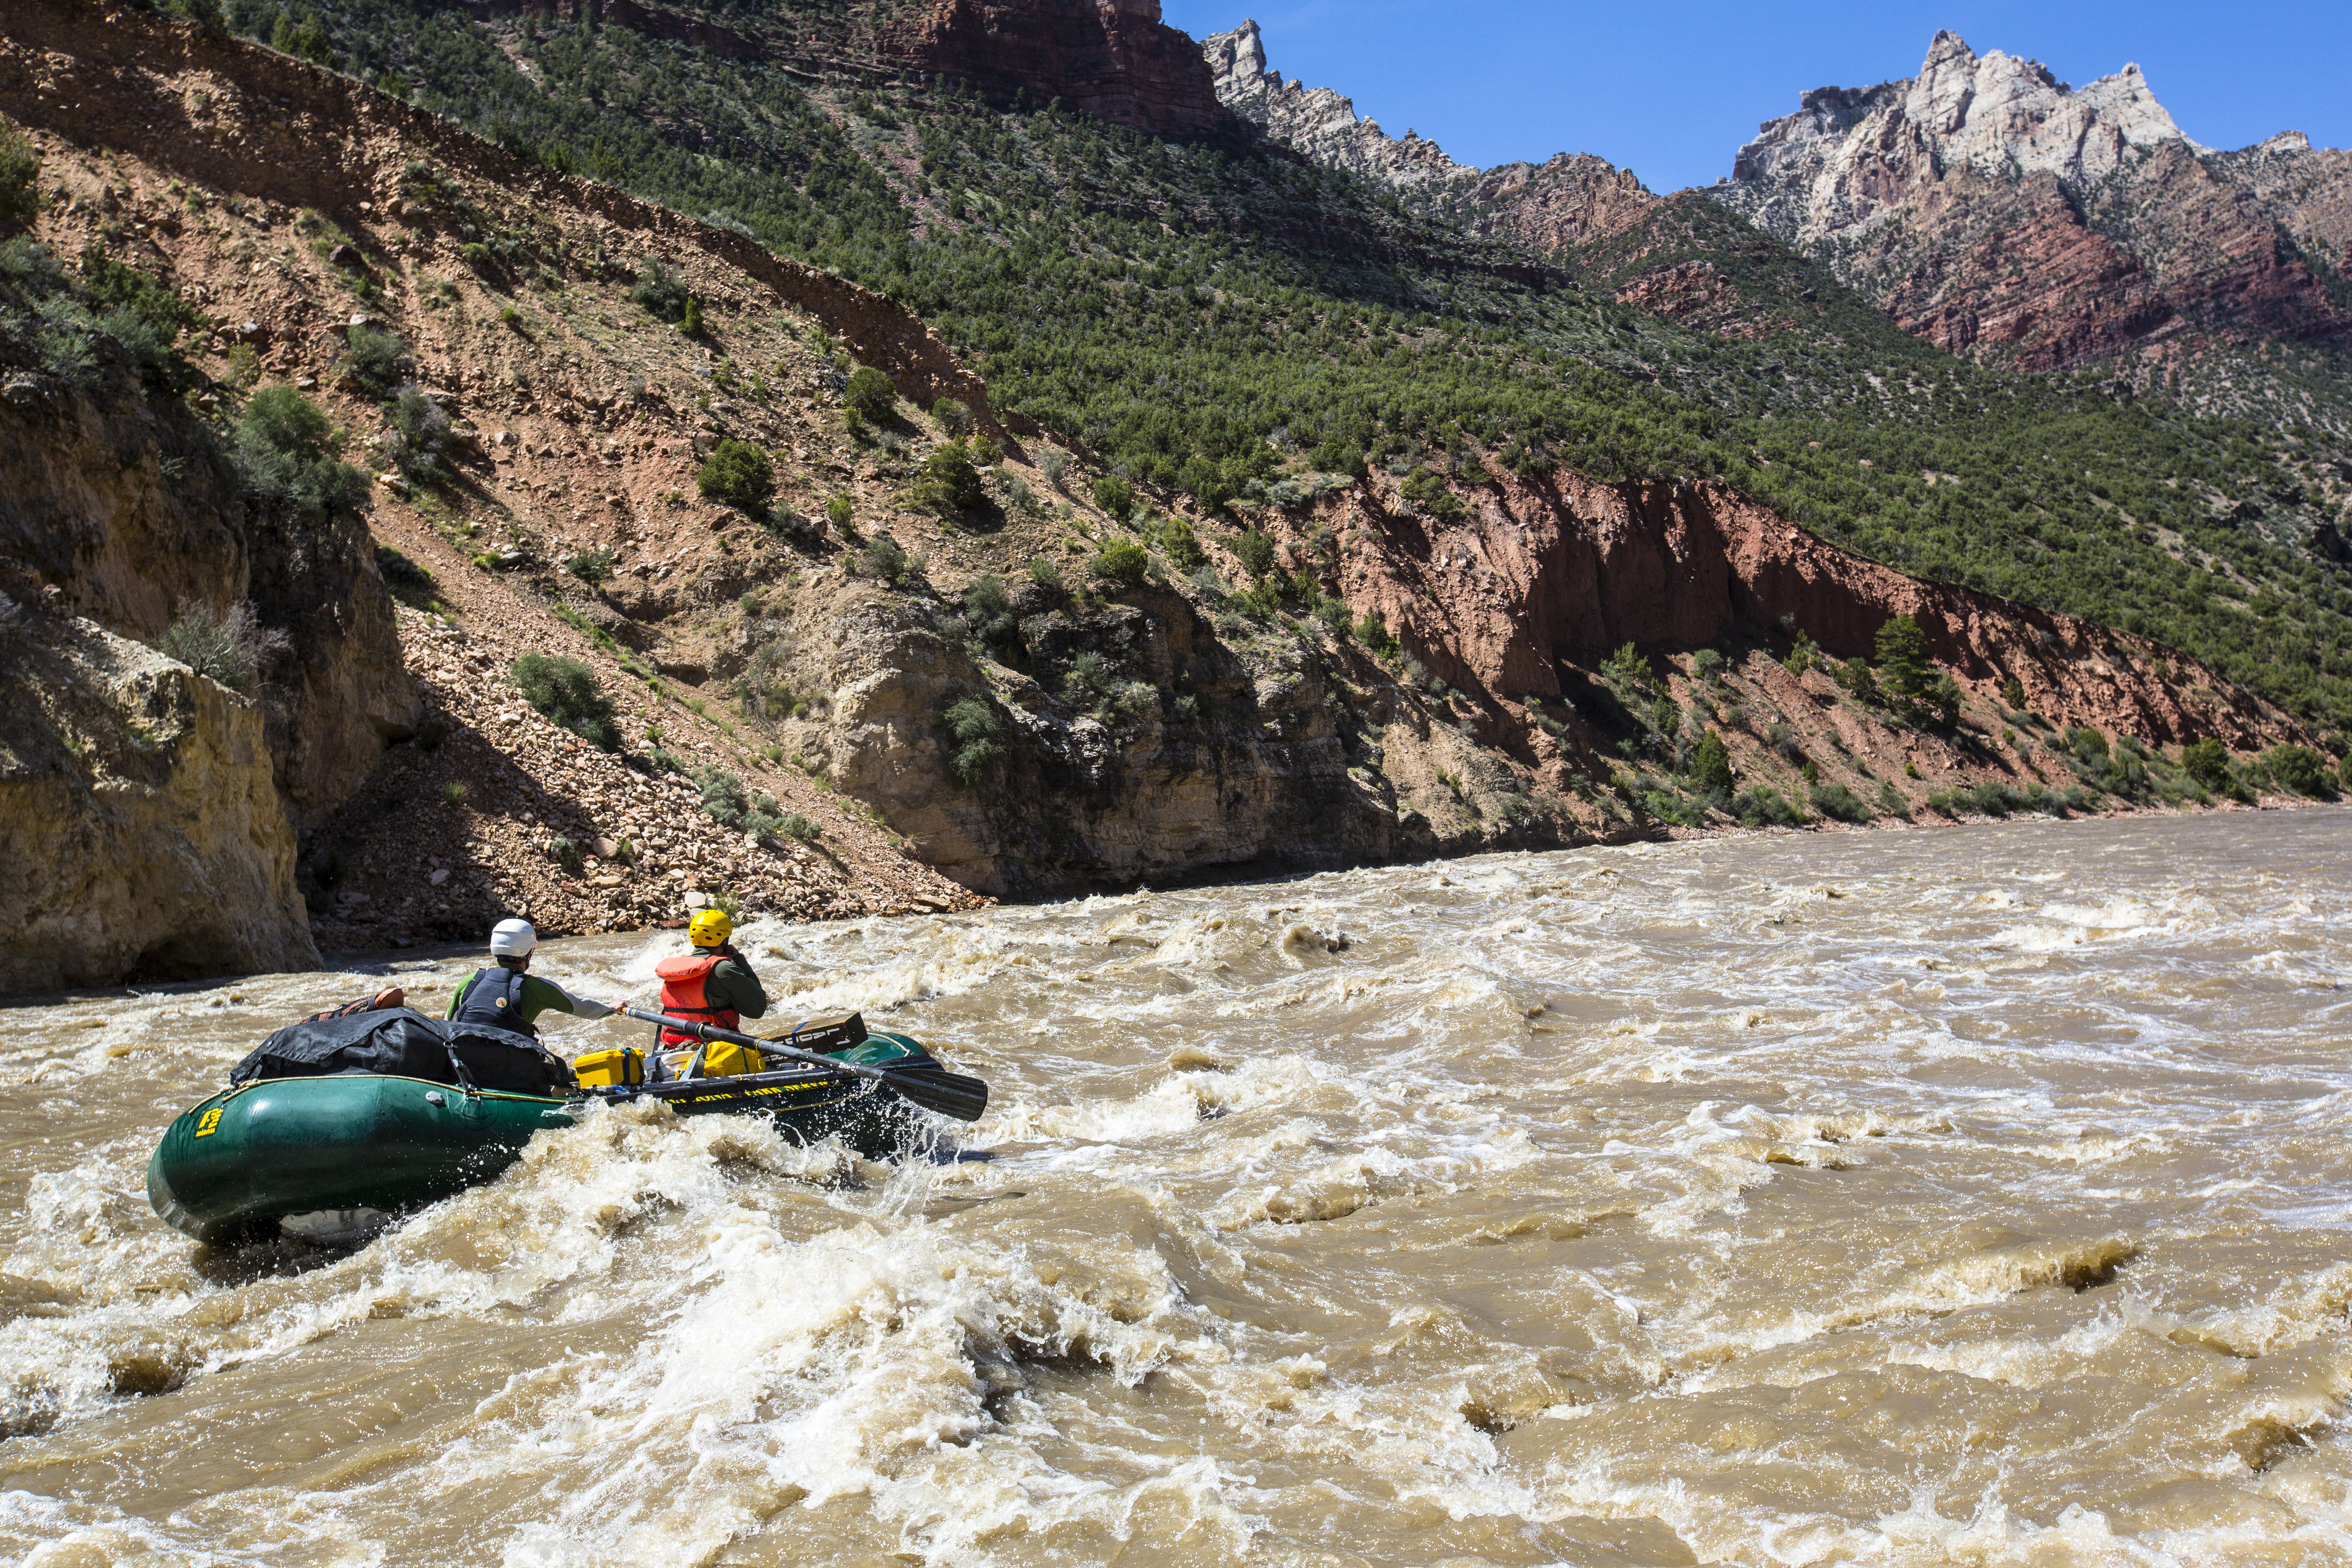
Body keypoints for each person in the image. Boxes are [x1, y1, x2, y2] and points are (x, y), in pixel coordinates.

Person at [445, 918, 618, 1038]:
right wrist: (611, 1008)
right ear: (529, 953)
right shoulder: (535, 988)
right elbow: (582, 1008)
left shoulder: (470, 980)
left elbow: (448, 1022)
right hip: (508, 1071)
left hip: (463, 1069)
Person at [653, 908, 768, 1049]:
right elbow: (757, 1009)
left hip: (676, 1047)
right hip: (716, 1050)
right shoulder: (723, 969)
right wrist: (740, 961)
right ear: (724, 940)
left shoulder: (675, 969)